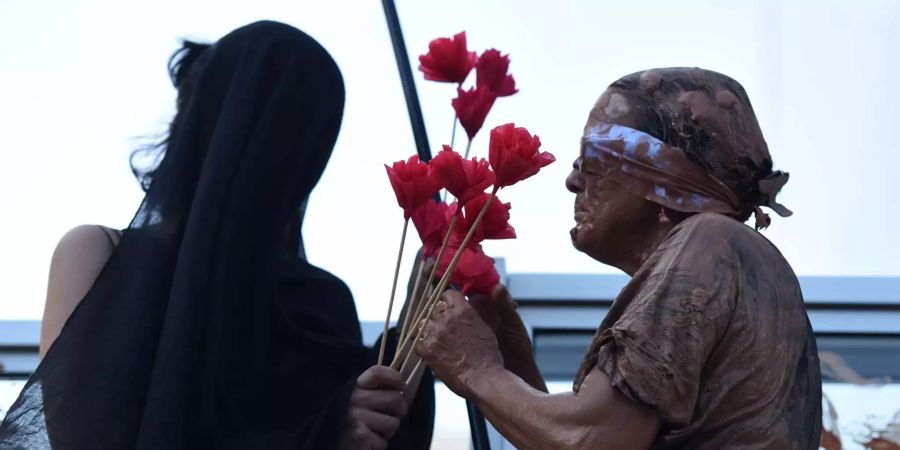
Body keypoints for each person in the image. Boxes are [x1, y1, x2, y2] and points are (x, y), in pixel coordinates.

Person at [1, 21, 433, 449]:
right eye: (274, 121)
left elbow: (373, 435)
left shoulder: (322, 301)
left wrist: (423, 307)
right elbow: (84, 436)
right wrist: (323, 435)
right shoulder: (98, 256)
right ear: (220, 123)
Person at [417, 67, 822, 449]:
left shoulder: (709, 240)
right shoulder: (737, 255)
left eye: (590, 159)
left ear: (659, 175)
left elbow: (594, 441)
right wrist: (512, 355)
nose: (572, 180)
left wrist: (477, 370)